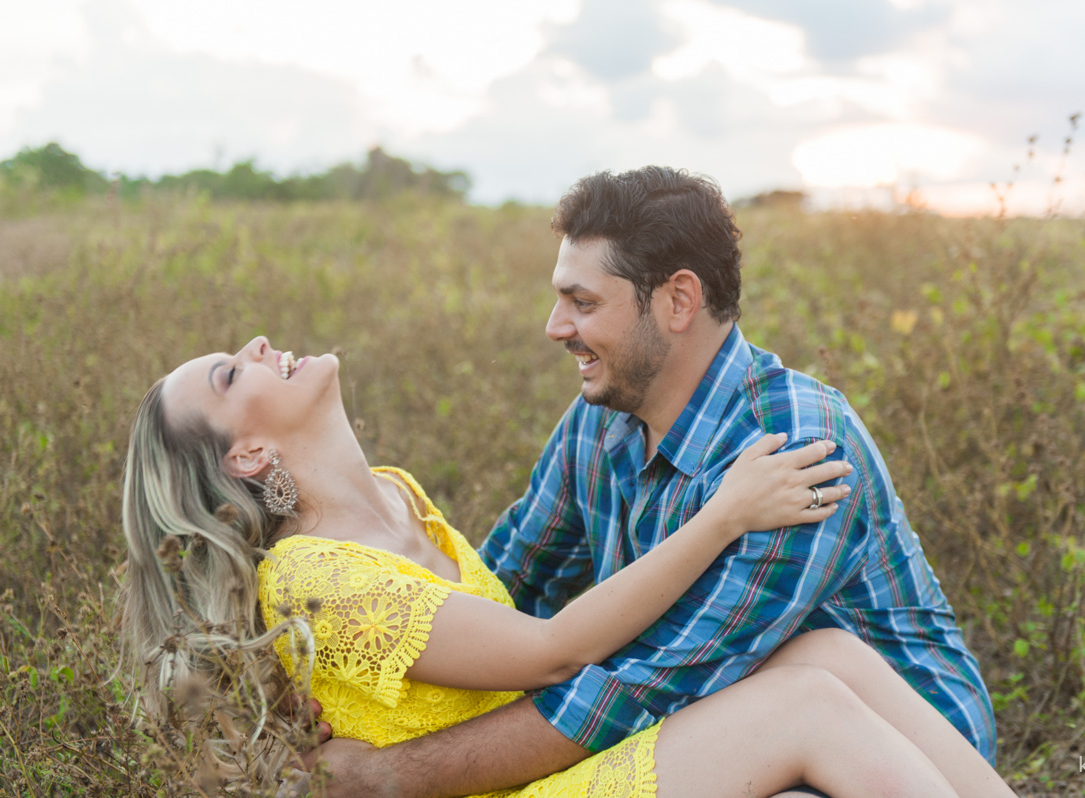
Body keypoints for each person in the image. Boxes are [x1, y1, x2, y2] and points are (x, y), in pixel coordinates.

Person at [305, 166, 1001, 797]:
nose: (555, 327)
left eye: (582, 301)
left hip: (902, 742)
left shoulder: (794, 445)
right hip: (738, 717)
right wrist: (339, 683)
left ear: (677, 301)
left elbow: (646, 690)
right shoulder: (596, 423)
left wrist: (393, 774)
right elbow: (501, 585)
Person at [117, 331, 1020, 797]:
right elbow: (549, 652)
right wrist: (723, 515)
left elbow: (506, 589)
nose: (260, 350)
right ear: (245, 458)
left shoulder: (395, 493)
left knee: (824, 655)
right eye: (233, 376)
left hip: (543, 775)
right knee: (807, 702)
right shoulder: (308, 576)